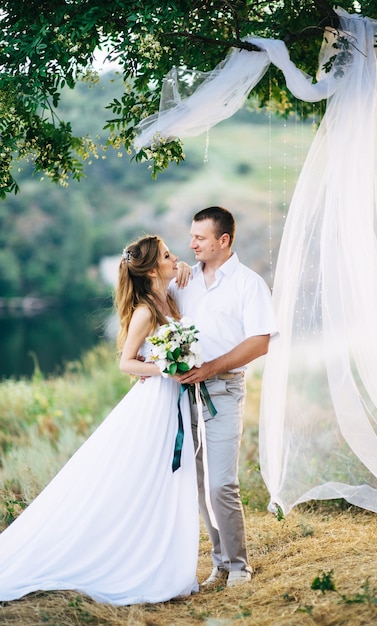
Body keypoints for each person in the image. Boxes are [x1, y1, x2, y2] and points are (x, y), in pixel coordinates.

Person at [0, 235, 199, 605]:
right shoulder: (144, 311)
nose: (177, 259)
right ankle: (131, 559)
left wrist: (185, 268)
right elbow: (126, 362)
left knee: (170, 477)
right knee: (145, 476)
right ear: (153, 268)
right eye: (170, 256)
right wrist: (166, 366)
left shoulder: (168, 297)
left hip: (172, 398)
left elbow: (188, 279)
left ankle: (162, 557)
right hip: (154, 402)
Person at [171, 206, 278, 587]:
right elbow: (150, 299)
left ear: (224, 240)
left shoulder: (249, 284)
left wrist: (212, 367)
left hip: (224, 390)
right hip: (184, 394)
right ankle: (220, 562)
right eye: (192, 236)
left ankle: (240, 564)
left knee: (221, 484)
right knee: (199, 484)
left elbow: (260, 342)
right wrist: (172, 269)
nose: (192, 243)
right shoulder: (183, 282)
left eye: (199, 238)